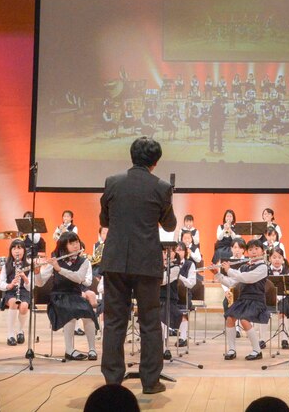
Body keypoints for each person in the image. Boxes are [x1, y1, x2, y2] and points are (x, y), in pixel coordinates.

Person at [99, 136, 176, 394]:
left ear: (132, 157)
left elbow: (105, 219)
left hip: (115, 261)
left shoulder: (112, 182)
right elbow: (170, 225)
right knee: (150, 323)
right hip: (146, 263)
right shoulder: (162, 187)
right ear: (155, 162)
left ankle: (112, 381)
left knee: (114, 322)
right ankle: (150, 382)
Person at [37, 232, 99, 361]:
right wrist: (37, 273)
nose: (76, 245)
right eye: (72, 243)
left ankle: (92, 349)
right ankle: (69, 350)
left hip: (75, 295)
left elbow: (78, 278)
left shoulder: (84, 261)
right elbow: (40, 282)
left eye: (77, 242)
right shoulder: (55, 260)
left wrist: (59, 269)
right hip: (58, 296)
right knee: (69, 314)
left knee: (89, 315)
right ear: (64, 246)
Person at [215, 239, 269, 361]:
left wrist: (229, 270)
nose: (253, 252)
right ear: (247, 252)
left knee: (244, 320)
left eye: (256, 249)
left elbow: (247, 278)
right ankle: (232, 349)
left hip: (256, 301)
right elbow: (231, 282)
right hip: (243, 300)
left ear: (262, 251)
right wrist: (219, 275)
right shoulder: (244, 267)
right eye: (250, 250)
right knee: (230, 319)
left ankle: (257, 350)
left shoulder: (263, 267)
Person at [160, 242, 196, 358]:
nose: (166, 254)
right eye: (164, 252)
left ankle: (164, 347)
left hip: (170, 299)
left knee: (162, 315)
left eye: (169, 252)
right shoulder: (157, 266)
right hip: (156, 299)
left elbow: (163, 281)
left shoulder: (176, 268)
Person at [0, 239, 32, 346]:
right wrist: (10, 285)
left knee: (24, 306)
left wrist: (24, 278)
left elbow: (30, 287)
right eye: (14, 248)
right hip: (10, 291)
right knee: (13, 302)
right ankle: (11, 334)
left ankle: (20, 331)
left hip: (24, 291)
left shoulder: (29, 265)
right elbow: (0, 284)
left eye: (19, 248)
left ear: (24, 250)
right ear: (11, 251)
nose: (17, 251)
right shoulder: (6, 266)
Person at [267, 247, 289, 349]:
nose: (277, 260)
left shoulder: (287, 270)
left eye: (279, 257)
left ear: (283, 259)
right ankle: (261, 339)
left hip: (283, 298)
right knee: (263, 311)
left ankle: (284, 339)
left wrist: (278, 297)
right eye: (274, 257)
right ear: (269, 259)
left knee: (283, 311)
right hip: (268, 299)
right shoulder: (265, 270)